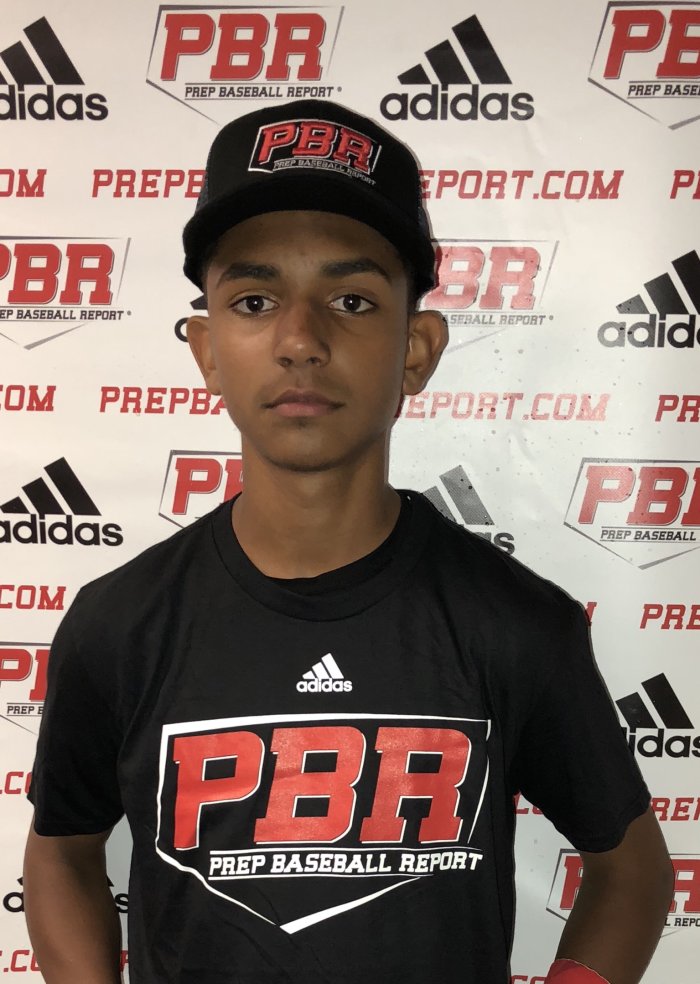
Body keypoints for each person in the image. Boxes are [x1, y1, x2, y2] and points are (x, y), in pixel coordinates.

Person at [23, 99, 672, 984]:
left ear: (416, 348)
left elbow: (631, 873)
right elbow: (62, 854)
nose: (300, 340)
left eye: (352, 300)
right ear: (207, 349)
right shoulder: (119, 625)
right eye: (255, 301)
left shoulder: (515, 624)